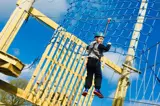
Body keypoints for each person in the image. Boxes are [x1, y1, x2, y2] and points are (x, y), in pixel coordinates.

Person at [82, 32, 111, 98]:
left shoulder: (91, 44)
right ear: (96, 38)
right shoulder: (100, 45)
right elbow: (106, 49)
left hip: (89, 61)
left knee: (89, 75)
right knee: (98, 75)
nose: (101, 40)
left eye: (102, 39)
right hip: (96, 61)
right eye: (100, 38)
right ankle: (97, 89)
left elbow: (87, 48)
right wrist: (109, 44)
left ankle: (86, 89)